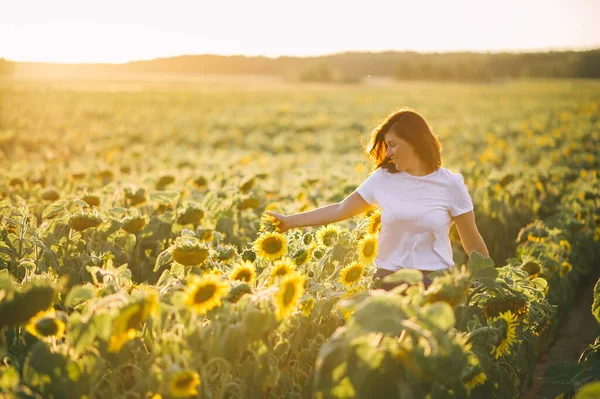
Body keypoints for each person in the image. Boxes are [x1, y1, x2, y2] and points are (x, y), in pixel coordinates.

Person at [266, 108, 489, 290]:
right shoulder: (383, 179)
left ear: (415, 142)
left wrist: (488, 282)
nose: (388, 153)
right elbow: (340, 209)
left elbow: (472, 241)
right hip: (387, 282)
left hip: (434, 284)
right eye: (386, 146)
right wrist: (290, 221)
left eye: (393, 145)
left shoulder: (450, 184)